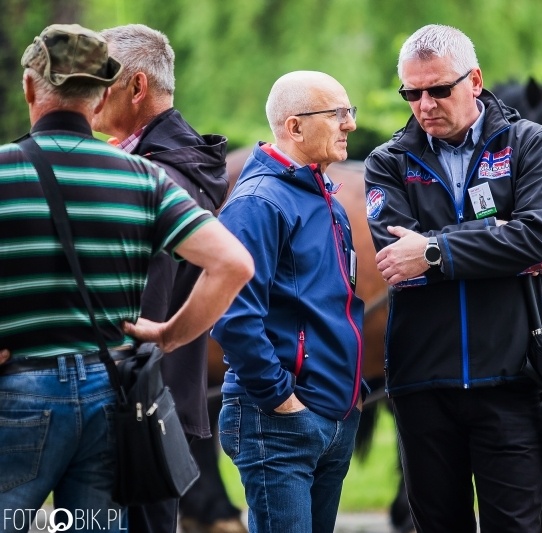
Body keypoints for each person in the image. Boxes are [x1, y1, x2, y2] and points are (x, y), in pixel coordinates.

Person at [0, 23, 253, 532]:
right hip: (108, 395)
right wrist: (170, 335)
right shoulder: (141, 177)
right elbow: (234, 264)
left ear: (29, 88)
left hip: (19, 392)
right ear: (96, 98)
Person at [364, 24, 542, 533]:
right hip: (422, 383)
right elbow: (395, 259)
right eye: (412, 92)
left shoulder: (530, 145)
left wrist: (433, 248)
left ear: (474, 80)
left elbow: (537, 240)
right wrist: (495, 237)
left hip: (514, 379)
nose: (424, 103)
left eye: (438, 89)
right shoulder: (387, 163)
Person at [89, 23, 244, 533]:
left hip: (133, 407)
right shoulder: (172, 164)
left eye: (99, 80)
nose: (86, 93)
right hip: (158, 402)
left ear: (136, 88)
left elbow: (137, 309)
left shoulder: (154, 178)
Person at [211, 71, 364, 533]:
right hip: (277, 422)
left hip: (332, 417)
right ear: (294, 127)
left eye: (349, 112)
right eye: (337, 114)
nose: (349, 124)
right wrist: (281, 398)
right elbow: (233, 315)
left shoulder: (328, 200)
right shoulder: (258, 203)